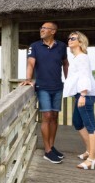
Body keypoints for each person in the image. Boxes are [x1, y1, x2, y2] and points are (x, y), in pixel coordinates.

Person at [21, 22, 69, 164]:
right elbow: (31, 63)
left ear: (53, 31)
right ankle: (47, 151)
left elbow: (65, 63)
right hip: (42, 87)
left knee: (54, 116)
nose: (41, 30)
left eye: (44, 28)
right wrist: (28, 79)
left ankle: (52, 147)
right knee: (47, 116)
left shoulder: (61, 46)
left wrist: (69, 80)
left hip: (58, 87)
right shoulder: (34, 46)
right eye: (41, 28)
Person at [63, 31, 95, 170]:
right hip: (80, 94)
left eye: (73, 38)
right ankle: (89, 151)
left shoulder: (82, 57)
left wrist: (83, 95)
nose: (69, 40)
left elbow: (84, 76)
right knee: (78, 122)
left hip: (85, 94)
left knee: (90, 126)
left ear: (80, 42)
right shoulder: (77, 58)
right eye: (69, 38)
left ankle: (93, 159)